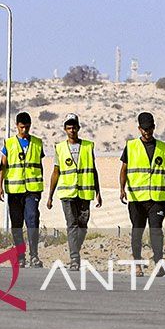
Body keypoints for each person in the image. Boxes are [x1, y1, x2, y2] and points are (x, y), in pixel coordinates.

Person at [46, 113, 101, 271]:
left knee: (83, 224)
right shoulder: (60, 148)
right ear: (65, 129)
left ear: (78, 128)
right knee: (72, 225)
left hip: (84, 192)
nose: (72, 130)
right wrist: (49, 196)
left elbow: (93, 170)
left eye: (74, 127)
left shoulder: (88, 146)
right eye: (69, 127)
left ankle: (75, 249)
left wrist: (98, 191)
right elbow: (56, 172)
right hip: (67, 193)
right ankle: (74, 258)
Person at [119, 111, 165, 272]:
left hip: (158, 198)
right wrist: (122, 189)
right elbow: (124, 169)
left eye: (150, 129)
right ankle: (137, 263)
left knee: (156, 230)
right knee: (137, 232)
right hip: (137, 198)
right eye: (144, 129)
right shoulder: (131, 146)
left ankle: (159, 262)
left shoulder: (163, 147)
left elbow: (163, 171)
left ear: (154, 127)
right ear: (139, 129)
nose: (147, 132)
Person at [0, 111, 44, 267]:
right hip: (15, 190)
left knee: (32, 220)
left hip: (32, 190)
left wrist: (40, 188)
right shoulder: (9, 144)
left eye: (27, 127)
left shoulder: (37, 143)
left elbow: (39, 165)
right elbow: (2, 166)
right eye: (22, 127)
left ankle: (34, 255)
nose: (24, 130)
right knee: (16, 223)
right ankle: (20, 255)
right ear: (17, 126)